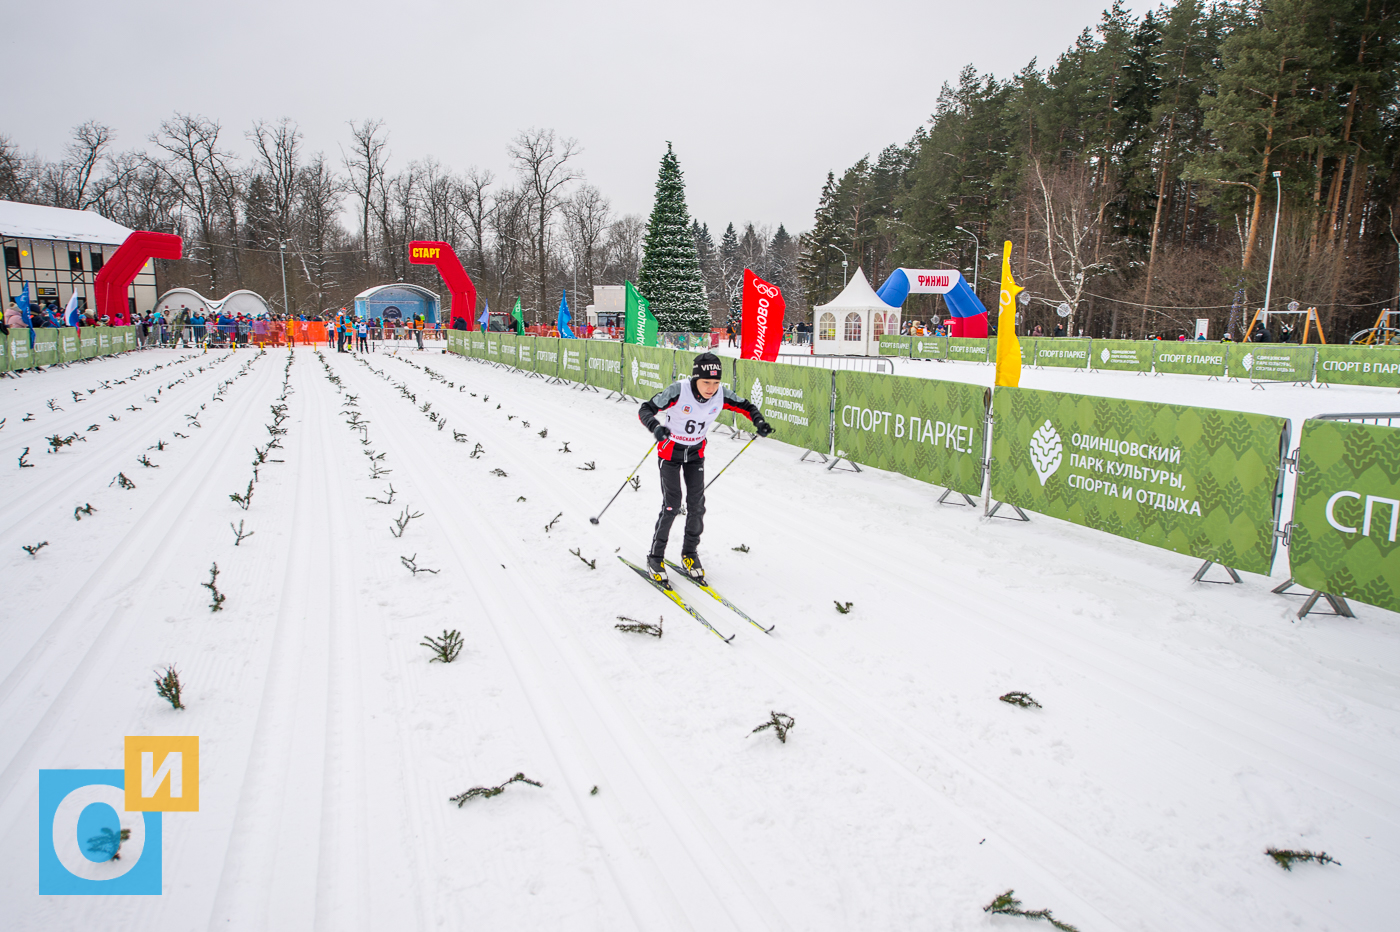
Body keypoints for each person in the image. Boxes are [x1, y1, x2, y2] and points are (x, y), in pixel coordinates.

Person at [637, 352, 772, 583]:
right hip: (670, 453)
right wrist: (656, 428)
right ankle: (655, 557)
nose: (711, 388)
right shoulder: (679, 390)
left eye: (716, 382)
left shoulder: (721, 394)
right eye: (706, 382)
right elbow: (646, 409)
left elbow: (747, 406)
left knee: (697, 506)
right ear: (695, 379)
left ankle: (689, 553)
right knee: (672, 505)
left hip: (695, 454)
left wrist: (759, 422)